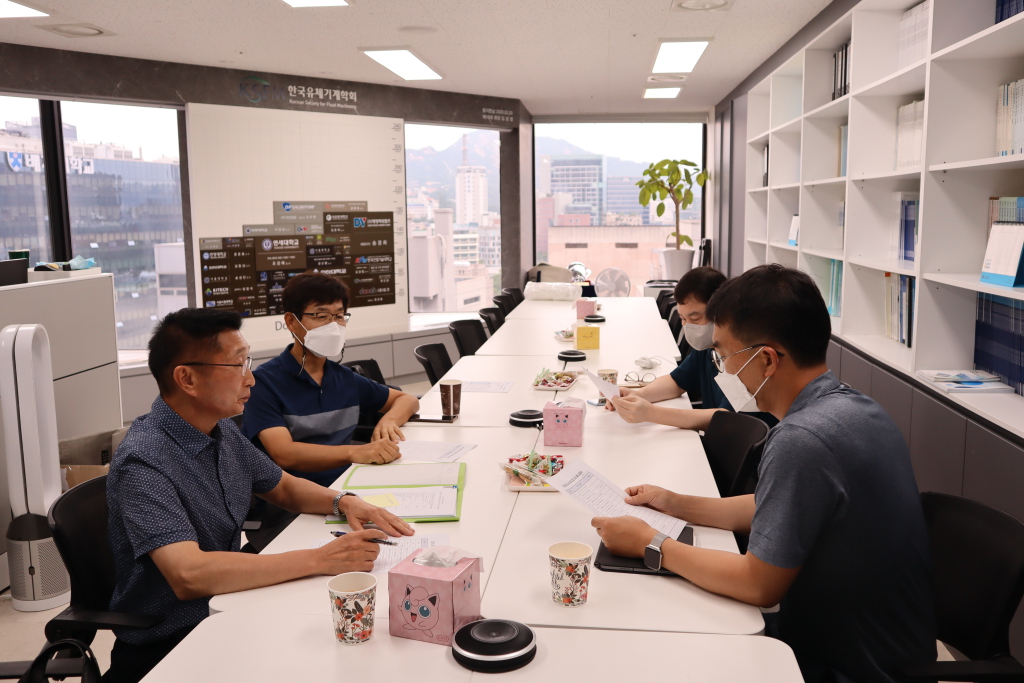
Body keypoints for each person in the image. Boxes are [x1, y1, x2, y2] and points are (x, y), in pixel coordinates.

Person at [592, 264, 935, 683]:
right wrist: (674, 503)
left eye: (723, 356)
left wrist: (651, 543)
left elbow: (758, 585)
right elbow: (775, 506)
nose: (721, 370)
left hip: (846, 665)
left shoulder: (801, 439)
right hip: (885, 646)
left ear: (767, 359)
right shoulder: (855, 409)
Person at [105, 308, 414, 683]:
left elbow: (282, 486)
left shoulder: (219, 429)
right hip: (173, 645)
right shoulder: (144, 460)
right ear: (187, 378)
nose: (250, 378)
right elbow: (189, 574)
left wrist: (345, 501)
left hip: (233, 608)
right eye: (238, 365)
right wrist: (320, 559)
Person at [243, 273, 420, 487]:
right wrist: (355, 452)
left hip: (349, 484)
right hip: (295, 497)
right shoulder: (263, 382)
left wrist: (388, 420)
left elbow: (407, 400)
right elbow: (285, 454)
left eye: (339, 316)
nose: (333, 325)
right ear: (291, 321)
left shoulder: (344, 377)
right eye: (321, 316)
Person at [606, 266, 776, 431]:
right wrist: (639, 395)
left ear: (721, 311)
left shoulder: (744, 357)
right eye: (683, 319)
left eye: (695, 319)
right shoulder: (706, 347)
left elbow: (726, 418)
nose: (689, 327)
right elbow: (677, 381)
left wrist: (651, 413)